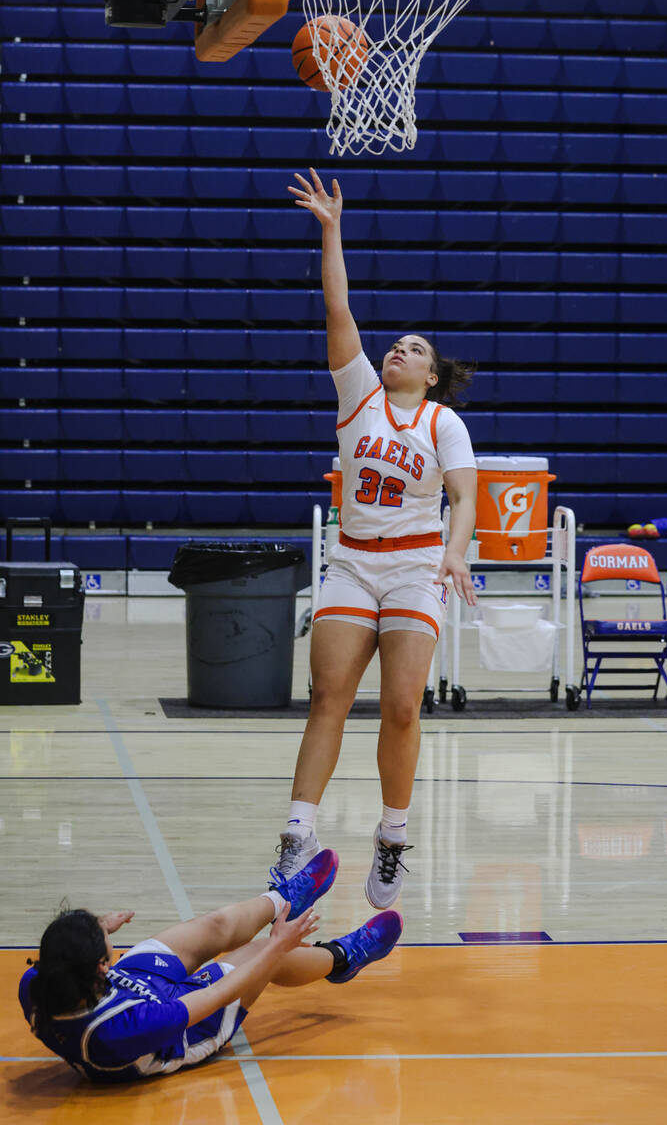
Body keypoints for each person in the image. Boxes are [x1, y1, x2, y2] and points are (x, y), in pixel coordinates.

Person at [273, 169, 478, 910]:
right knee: (327, 694)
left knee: (400, 707)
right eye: (396, 344)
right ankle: (298, 832)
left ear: (431, 375)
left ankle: (392, 838)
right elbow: (339, 307)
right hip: (354, 564)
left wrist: (455, 551)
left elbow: (466, 498)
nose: (399, 350)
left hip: (418, 566)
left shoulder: (442, 423)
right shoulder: (357, 391)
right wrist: (331, 229)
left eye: (414, 349)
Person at [18, 849, 402, 1084]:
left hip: (126, 987)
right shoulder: (121, 1032)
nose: (108, 930)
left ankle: (283, 898)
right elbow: (221, 993)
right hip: (185, 1030)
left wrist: (95, 929)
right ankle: (343, 957)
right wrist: (275, 946)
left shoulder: (39, 979)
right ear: (101, 966)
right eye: (103, 934)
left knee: (215, 925)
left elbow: (69, 953)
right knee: (265, 956)